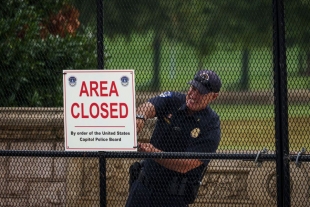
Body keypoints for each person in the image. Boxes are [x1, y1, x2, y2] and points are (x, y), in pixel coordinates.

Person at [126, 70, 222, 207]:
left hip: (172, 198)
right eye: (193, 88)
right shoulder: (174, 100)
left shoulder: (211, 125)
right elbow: (150, 105)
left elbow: (186, 165)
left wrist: (154, 153)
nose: (193, 94)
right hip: (142, 190)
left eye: (201, 92)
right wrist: (140, 117)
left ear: (213, 97)